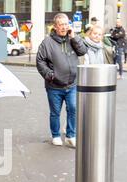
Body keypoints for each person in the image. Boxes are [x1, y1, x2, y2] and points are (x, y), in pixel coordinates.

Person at [36, 13, 87, 147]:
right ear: (55, 26)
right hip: (54, 86)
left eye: (66, 24)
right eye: (61, 24)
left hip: (72, 84)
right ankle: (56, 135)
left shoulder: (72, 39)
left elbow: (82, 51)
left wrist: (74, 37)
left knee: (73, 108)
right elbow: (40, 61)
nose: (64, 27)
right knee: (55, 113)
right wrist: (50, 75)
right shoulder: (47, 42)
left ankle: (71, 135)